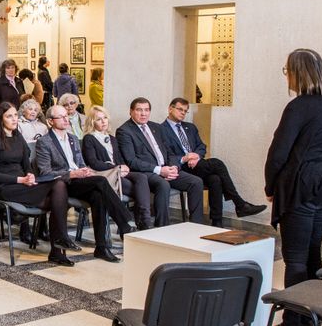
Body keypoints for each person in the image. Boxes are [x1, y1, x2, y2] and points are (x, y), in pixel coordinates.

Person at [264, 48, 322, 326]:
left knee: (295, 259)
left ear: (297, 73)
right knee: (312, 252)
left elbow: (279, 151)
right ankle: (310, 321)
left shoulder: (298, 107)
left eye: (288, 71)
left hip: (301, 183)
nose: (287, 76)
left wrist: (271, 186)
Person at [36, 105, 133, 262]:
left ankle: (102, 247)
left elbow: (80, 163)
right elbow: (45, 173)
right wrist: (71, 174)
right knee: (101, 181)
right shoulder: (44, 142)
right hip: (61, 184)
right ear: (50, 121)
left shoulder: (73, 139)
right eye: (61, 117)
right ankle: (124, 222)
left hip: (79, 181)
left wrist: (85, 171)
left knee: (98, 196)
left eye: (66, 116)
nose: (66, 119)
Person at [0, 102, 75, 266]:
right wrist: (21, 180)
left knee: (59, 186)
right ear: (1, 119)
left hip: (24, 183)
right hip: (7, 187)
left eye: (15, 115)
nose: (14, 119)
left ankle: (58, 247)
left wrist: (30, 175)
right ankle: (59, 246)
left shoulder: (18, 136)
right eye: (9, 116)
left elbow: (26, 165)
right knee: (58, 200)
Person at [160, 97, 266, 227]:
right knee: (217, 163)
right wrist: (185, 158)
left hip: (196, 164)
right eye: (180, 109)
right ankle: (240, 204)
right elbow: (166, 154)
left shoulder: (190, 127)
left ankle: (217, 222)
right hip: (180, 167)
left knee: (215, 179)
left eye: (185, 111)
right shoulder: (160, 130)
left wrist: (196, 156)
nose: (182, 113)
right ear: (170, 109)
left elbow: (201, 146)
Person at [116, 97, 204, 226]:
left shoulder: (156, 127)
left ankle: (196, 225)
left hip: (166, 168)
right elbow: (131, 161)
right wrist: (159, 170)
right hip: (145, 172)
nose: (143, 113)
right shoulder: (124, 131)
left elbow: (169, 152)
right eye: (139, 110)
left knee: (196, 182)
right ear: (131, 111)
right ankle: (162, 226)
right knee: (163, 184)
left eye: (146, 110)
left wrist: (174, 167)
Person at [82, 105, 158, 231]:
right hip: (105, 174)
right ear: (92, 122)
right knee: (139, 189)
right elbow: (93, 163)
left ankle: (144, 219)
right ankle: (143, 221)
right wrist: (116, 167)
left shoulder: (112, 138)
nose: (103, 121)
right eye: (99, 119)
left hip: (118, 172)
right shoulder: (89, 138)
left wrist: (124, 167)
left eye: (105, 118)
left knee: (141, 177)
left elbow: (120, 159)